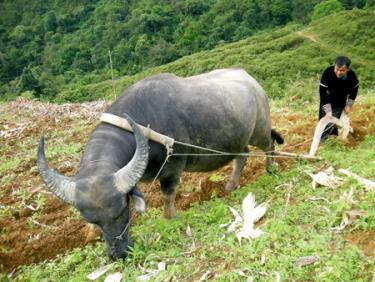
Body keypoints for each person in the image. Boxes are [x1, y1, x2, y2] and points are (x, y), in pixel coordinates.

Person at [319, 56, 359, 141]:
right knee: (324, 118)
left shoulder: (352, 76)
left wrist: (349, 105)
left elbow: (354, 91)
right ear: (334, 66)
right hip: (327, 97)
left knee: (334, 117)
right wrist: (328, 110)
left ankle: (332, 137)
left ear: (347, 69)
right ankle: (323, 139)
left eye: (342, 70)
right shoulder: (328, 72)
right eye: (337, 69)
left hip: (340, 98)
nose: (338, 72)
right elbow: (322, 92)